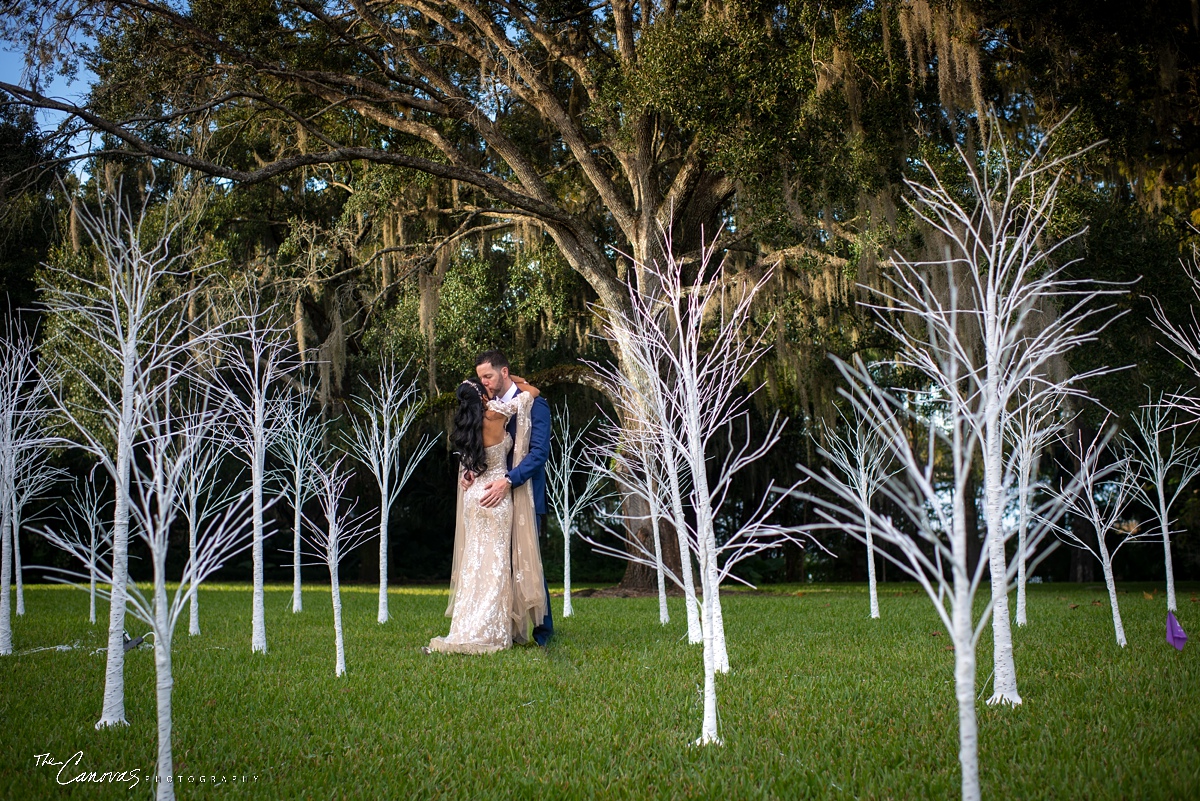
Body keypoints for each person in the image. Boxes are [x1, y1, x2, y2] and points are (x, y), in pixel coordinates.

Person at [425, 371, 548, 654]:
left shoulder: (466, 427)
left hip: (473, 498)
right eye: (484, 387)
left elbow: (470, 467)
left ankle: (466, 627)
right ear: (481, 397)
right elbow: (533, 394)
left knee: (474, 564)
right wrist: (514, 378)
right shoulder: (497, 415)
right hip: (496, 495)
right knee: (496, 566)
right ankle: (490, 630)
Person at [472, 350, 554, 646]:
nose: (484, 383)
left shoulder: (536, 405)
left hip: (523, 492)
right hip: (492, 495)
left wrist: (508, 481)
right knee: (499, 563)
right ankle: (505, 628)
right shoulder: (486, 406)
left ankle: (543, 633)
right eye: (481, 377)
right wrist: (473, 470)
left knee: (528, 562)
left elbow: (539, 454)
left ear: (504, 372)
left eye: (488, 376)